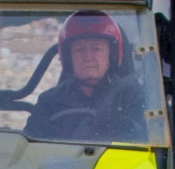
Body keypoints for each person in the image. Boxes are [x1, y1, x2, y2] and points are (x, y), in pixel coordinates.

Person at [25, 11, 146, 142]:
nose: (88, 57)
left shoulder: (134, 97)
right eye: (80, 49)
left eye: (96, 49)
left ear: (111, 55)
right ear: (68, 57)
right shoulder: (49, 102)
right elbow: (31, 151)